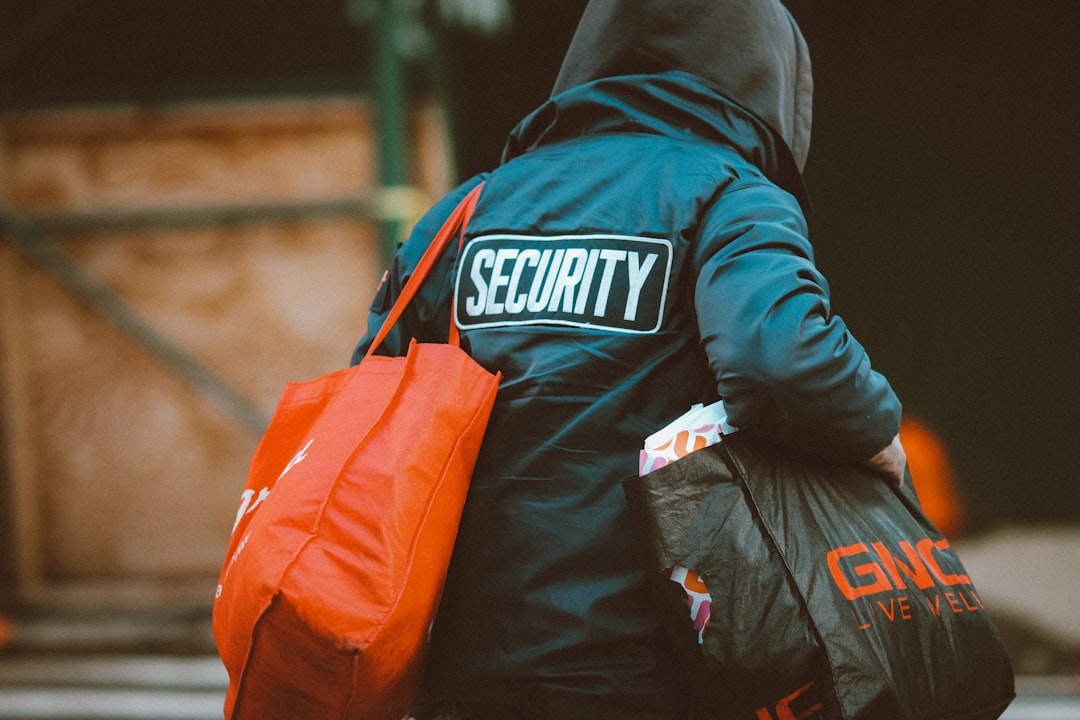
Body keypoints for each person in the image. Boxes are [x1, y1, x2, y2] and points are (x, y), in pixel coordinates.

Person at [352, 0, 906, 717]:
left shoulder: (464, 212)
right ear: (768, 73)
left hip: (460, 670)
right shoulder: (730, 196)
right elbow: (782, 361)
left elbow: (376, 396)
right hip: (650, 667)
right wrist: (877, 434)